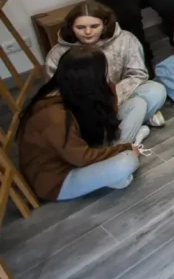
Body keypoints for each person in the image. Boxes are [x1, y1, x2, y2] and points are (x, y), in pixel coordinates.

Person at [19, 46, 142, 201]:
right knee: (128, 161)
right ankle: (113, 169)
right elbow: (82, 158)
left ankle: (110, 169)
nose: (107, 75)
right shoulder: (54, 117)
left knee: (137, 103)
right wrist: (124, 148)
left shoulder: (75, 91)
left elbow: (110, 113)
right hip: (60, 178)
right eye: (103, 73)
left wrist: (106, 87)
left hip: (81, 151)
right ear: (89, 80)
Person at [44, 0, 167, 145]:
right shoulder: (57, 54)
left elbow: (138, 73)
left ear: (105, 24)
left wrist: (112, 97)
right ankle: (128, 134)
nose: (88, 32)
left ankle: (131, 126)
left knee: (156, 90)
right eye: (80, 27)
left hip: (120, 96)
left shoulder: (125, 39)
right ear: (71, 27)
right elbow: (54, 93)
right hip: (85, 111)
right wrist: (95, 104)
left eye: (94, 26)